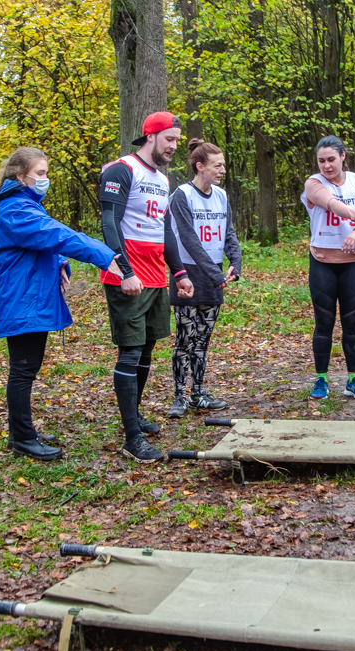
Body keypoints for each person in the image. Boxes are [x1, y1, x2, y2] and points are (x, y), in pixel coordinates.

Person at [0, 147, 123, 461]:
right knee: (23, 370)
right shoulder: (16, 209)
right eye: (40, 173)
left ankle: (22, 431)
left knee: (27, 368)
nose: (45, 180)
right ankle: (21, 438)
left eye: (46, 173)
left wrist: (60, 261)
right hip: (22, 300)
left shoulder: (21, 205)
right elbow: (55, 234)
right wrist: (104, 255)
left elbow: (40, 243)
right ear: (20, 175)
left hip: (27, 297)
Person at [98, 112, 195, 463]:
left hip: (155, 276)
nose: (173, 146)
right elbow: (109, 222)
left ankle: (134, 415)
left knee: (146, 351)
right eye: (169, 139)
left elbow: (165, 229)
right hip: (128, 277)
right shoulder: (121, 170)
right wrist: (124, 270)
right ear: (151, 136)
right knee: (130, 351)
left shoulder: (162, 179)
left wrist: (180, 272)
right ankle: (131, 438)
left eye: (176, 140)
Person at [301, 136, 355, 401]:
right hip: (323, 262)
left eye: (331, 160)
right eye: (321, 160)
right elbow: (331, 204)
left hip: (353, 264)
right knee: (324, 323)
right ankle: (321, 380)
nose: (326, 165)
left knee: (352, 324)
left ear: (343, 156)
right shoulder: (314, 183)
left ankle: (353, 380)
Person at [166, 139, 242, 417]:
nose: (223, 170)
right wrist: (214, 273)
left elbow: (229, 231)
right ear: (200, 166)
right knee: (185, 338)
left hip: (214, 275)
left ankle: (198, 392)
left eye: (223, 165)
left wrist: (236, 261)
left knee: (203, 339)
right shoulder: (181, 195)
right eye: (217, 165)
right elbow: (188, 238)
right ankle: (179, 396)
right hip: (187, 273)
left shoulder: (221, 195)